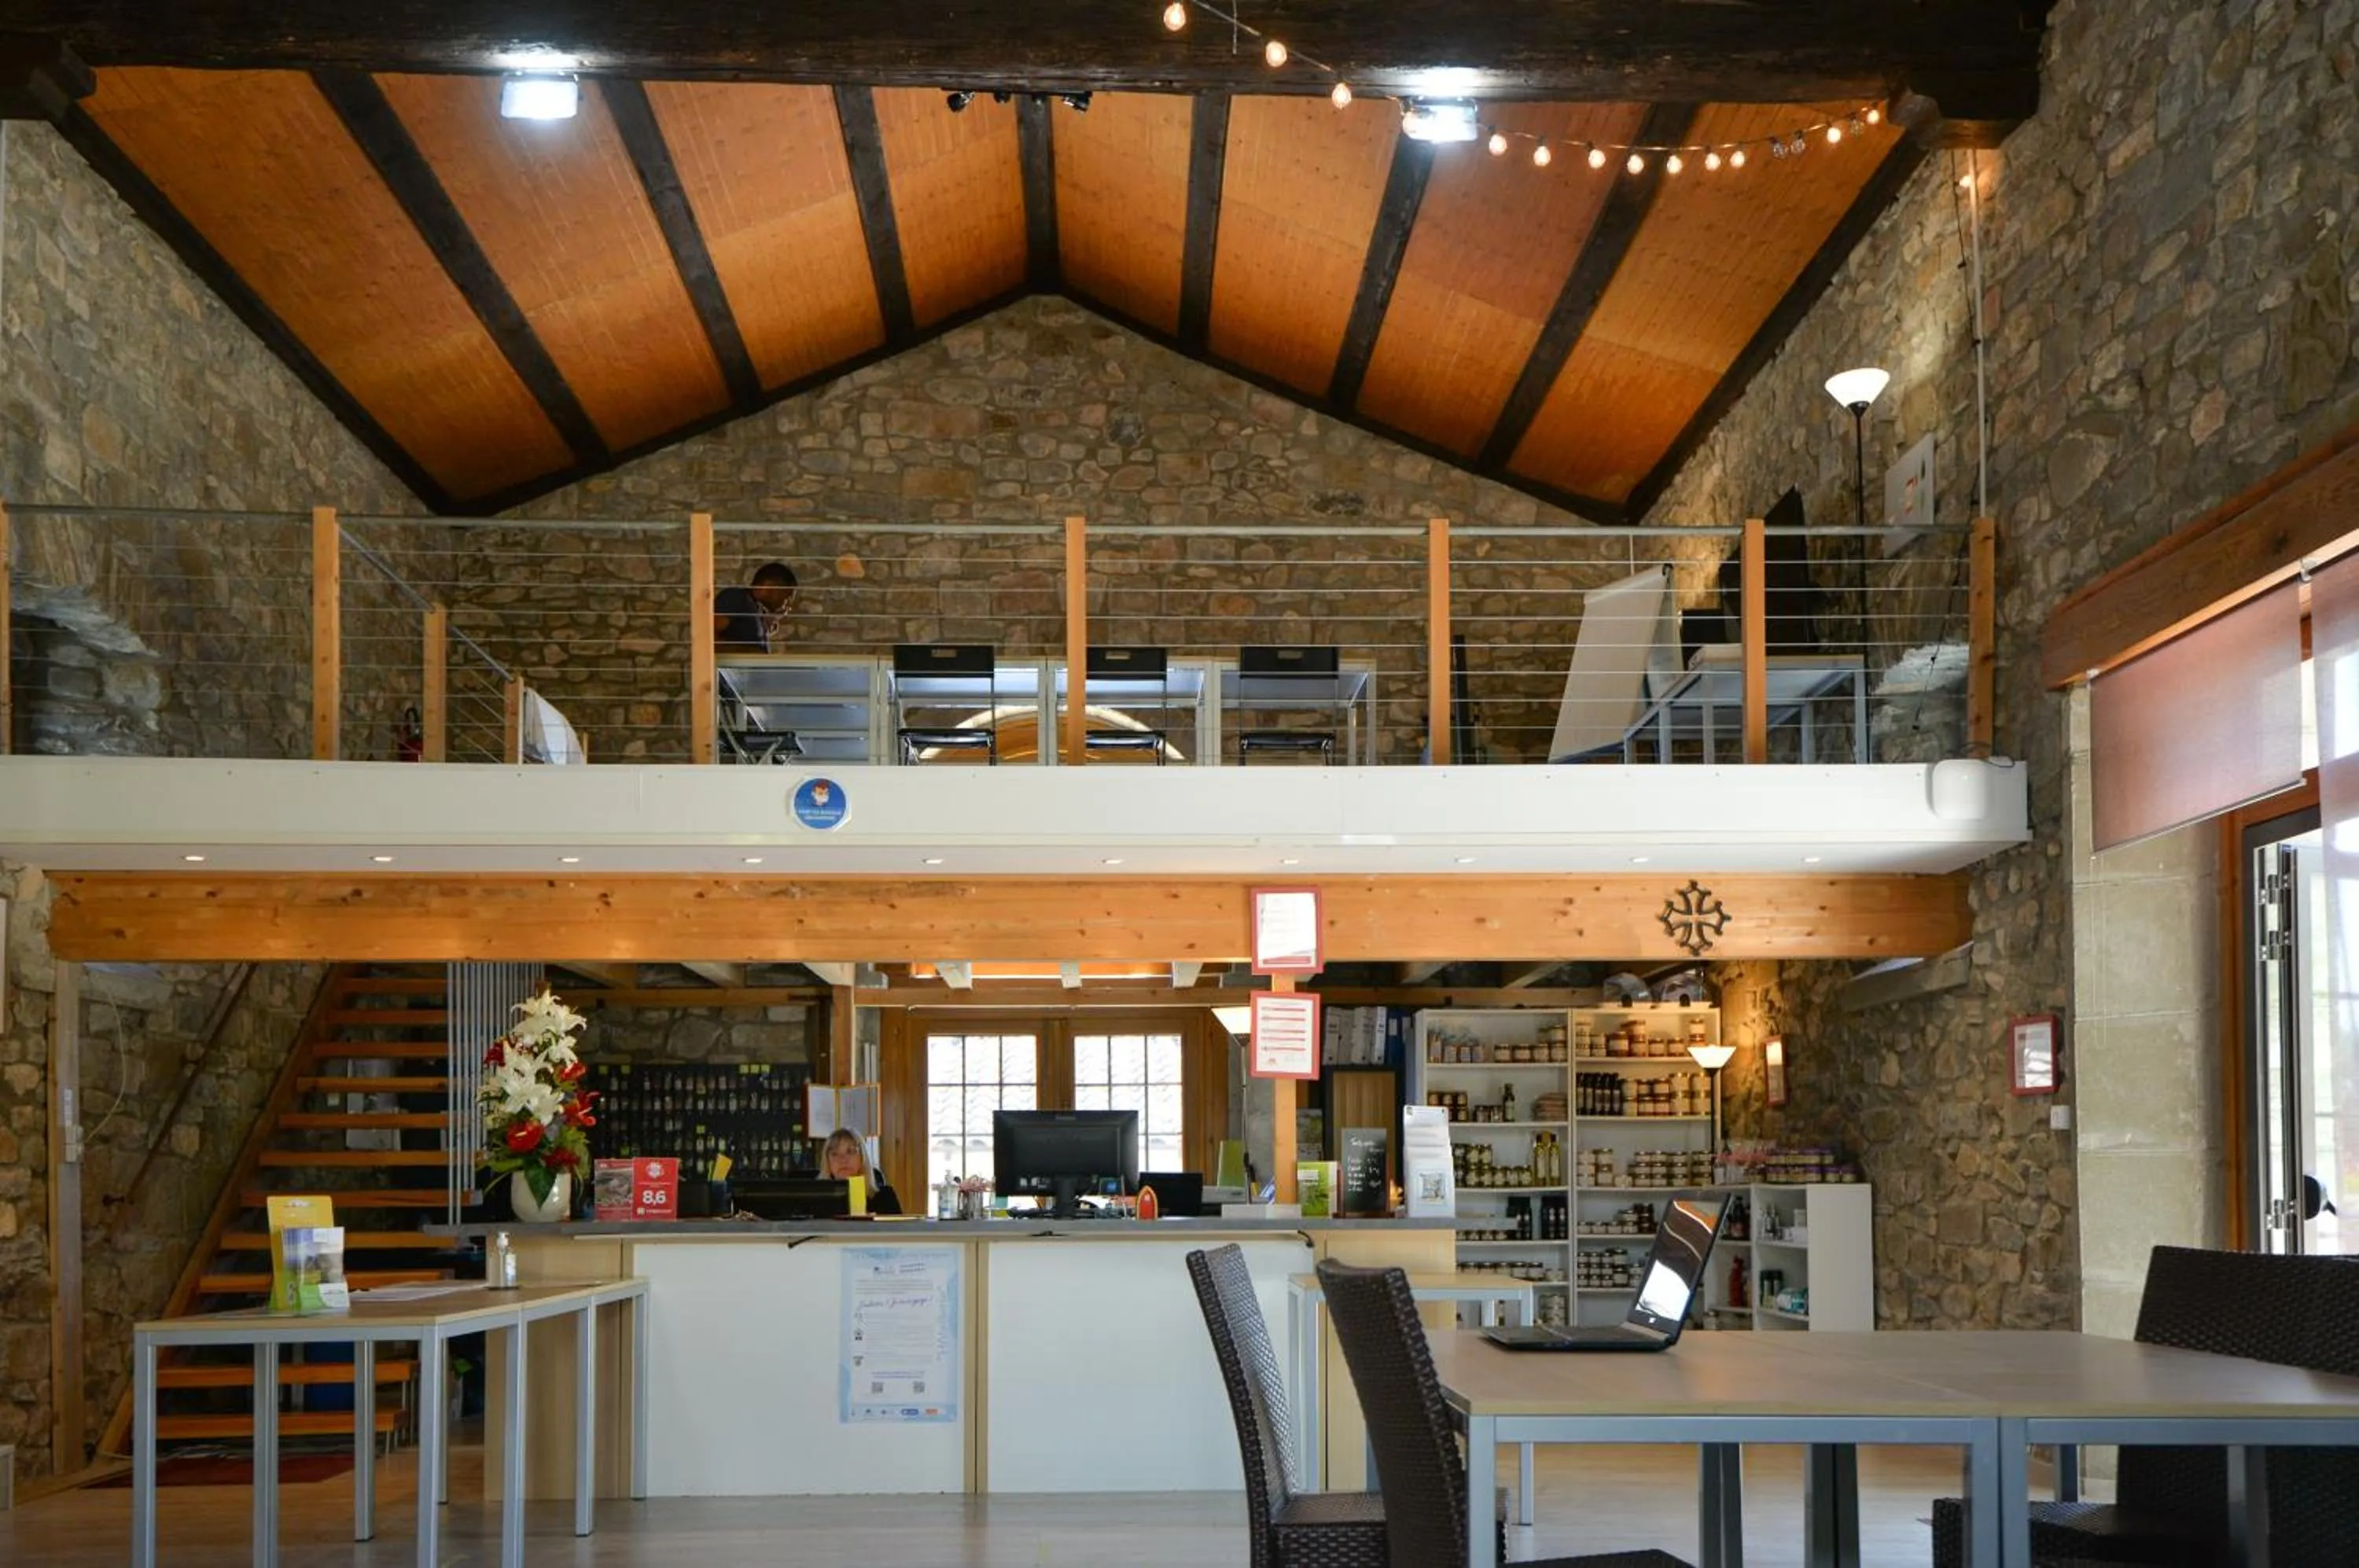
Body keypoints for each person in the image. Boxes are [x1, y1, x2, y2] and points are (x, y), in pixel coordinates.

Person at [713, 561, 797, 651]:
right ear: (768, 587)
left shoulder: (756, 610)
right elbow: (708, 635)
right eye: (786, 595)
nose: (787, 602)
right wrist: (749, 652)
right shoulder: (736, 598)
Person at [822, 1127, 900, 1215]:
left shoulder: (885, 1197)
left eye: (850, 1152)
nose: (843, 1160)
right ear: (828, 1162)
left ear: (862, 1158)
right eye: (835, 1154)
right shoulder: (818, 1200)